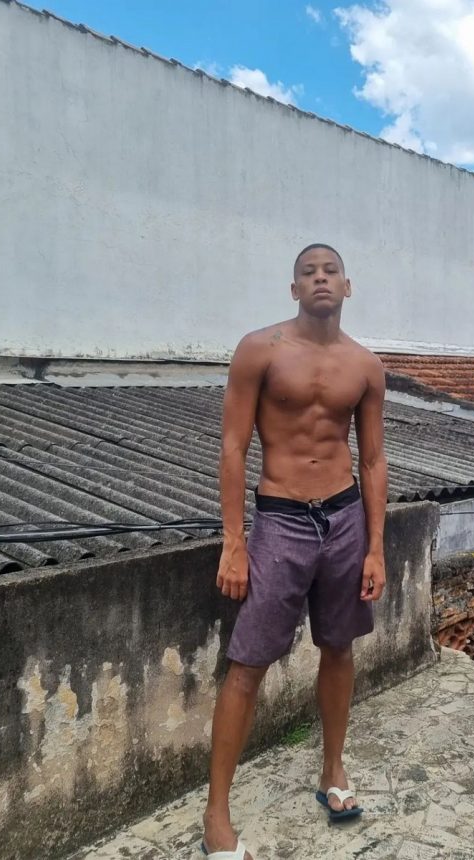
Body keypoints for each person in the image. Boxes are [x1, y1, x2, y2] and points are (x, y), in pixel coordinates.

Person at [201, 244, 388, 859]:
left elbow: (373, 460)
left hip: (344, 517)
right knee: (248, 663)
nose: (320, 279)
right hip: (280, 519)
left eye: (330, 271)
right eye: (309, 272)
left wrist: (376, 548)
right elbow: (233, 448)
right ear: (294, 288)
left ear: (348, 286)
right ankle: (217, 814)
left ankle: (333, 769)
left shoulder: (365, 366)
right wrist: (234, 542)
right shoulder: (260, 350)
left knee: (339, 647)